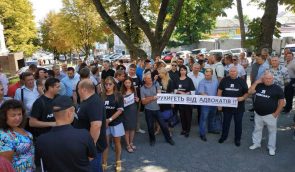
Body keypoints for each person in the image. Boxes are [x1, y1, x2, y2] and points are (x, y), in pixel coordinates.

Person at [36, 96, 97, 172]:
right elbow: (91, 156)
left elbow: (41, 164)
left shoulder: (41, 140)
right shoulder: (83, 135)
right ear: (70, 112)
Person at [248, 72, 285, 156]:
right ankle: (256, 143)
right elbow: (250, 91)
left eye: (270, 78)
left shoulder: (277, 88)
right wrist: (256, 82)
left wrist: (276, 113)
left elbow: (281, 102)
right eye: (266, 78)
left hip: (271, 115)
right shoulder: (259, 85)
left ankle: (272, 148)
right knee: (257, 129)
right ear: (263, 79)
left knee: (272, 132)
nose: (268, 80)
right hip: (258, 114)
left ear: (273, 79)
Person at [74, 79, 106, 172]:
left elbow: (96, 126)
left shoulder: (94, 102)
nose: (77, 91)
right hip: (85, 145)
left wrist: (90, 150)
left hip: (91, 148)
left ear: (83, 89)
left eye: (78, 89)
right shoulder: (87, 100)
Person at [140, 72, 175, 146]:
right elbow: (143, 102)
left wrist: (148, 98)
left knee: (163, 125)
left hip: (158, 109)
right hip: (148, 110)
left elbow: (159, 95)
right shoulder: (142, 88)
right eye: (148, 78)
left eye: (151, 78)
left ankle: (169, 139)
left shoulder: (156, 84)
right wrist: (153, 97)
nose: (151, 79)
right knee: (150, 127)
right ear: (144, 80)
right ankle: (152, 140)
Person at [217, 66, 248, 146]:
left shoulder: (241, 81)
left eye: (234, 71)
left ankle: (237, 139)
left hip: (239, 107)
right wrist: (219, 104)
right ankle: (224, 137)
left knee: (238, 124)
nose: (232, 73)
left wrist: (243, 98)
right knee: (226, 123)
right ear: (229, 72)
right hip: (226, 107)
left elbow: (246, 93)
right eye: (231, 71)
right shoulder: (224, 80)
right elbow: (219, 91)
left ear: (237, 72)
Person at [0, 100, 34, 171]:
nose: (17, 118)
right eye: (13, 115)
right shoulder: (4, 136)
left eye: (19, 114)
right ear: (4, 116)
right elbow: (5, 166)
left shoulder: (20, 128)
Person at [101, 76, 124, 171]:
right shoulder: (101, 95)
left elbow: (120, 110)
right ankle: (104, 163)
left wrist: (109, 120)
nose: (108, 86)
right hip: (104, 124)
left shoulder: (118, 95)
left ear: (114, 84)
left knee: (117, 143)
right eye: (106, 84)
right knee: (105, 144)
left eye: (110, 84)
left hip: (116, 123)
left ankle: (118, 161)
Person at [197, 68, 219, 141]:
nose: (206, 76)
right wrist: (205, 95)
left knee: (212, 117)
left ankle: (211, 129)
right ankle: (202, 133)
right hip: (205, 104)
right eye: (205, 75)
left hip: (214, 103)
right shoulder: (202, 82)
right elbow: (201, 92)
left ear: (212, 75)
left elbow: (218, 91)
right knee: (203, 119)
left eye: (208, 75)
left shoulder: (216, 81)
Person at [175, 65, 195, 137]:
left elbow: (192, 90)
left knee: (188, 116)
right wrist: (180, 92)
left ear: (186, 71)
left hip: (188, 101)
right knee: (182, 116)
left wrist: (187, 93)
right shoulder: (177, 79)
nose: (182, 71)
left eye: (184, 70)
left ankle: (187, 130)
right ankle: (183, 129)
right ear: (179, 71)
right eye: (181, 70)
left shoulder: (189, 80)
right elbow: (174, 90)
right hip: (180, 101)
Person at [121, 77, 139, 153]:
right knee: (127, 129)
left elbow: (137, 98)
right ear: (124, 83)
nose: (128, 84)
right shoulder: (121, 91)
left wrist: (137, 99)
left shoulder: (134, 89)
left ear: (131, 83)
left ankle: (131, 142)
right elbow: (119, 102)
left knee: (132, 128)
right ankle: (127, 145)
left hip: (133, 110)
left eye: (129, 82)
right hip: (126, 111)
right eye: (126, 83)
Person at [158, 68, 174, 136]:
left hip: (167, 102)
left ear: (164, 74)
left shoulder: (170, 81)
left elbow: (172, 92)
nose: (159, 74)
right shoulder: (159, 81)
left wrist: (172, 102)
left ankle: (169, 131)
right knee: (159, 116)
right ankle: (158, 129)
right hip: (160, 102)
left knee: (168, 117)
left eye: (160, 73)